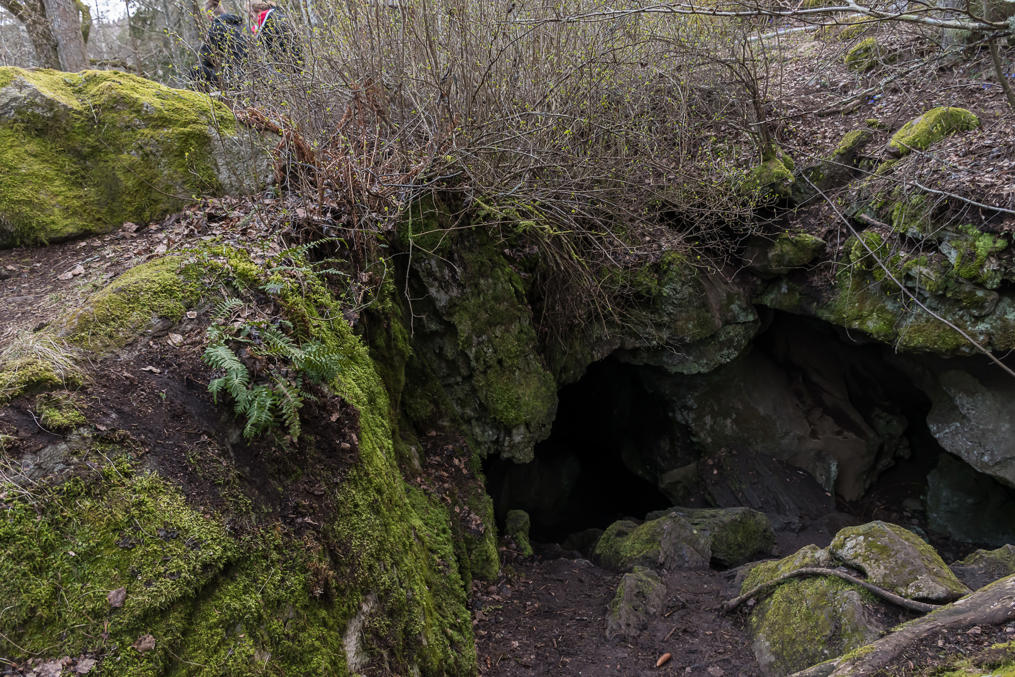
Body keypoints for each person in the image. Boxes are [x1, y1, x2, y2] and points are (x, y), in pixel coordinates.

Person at [194, 0, 248, 89]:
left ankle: (203, 97)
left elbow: (206, 59)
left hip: (233, 77)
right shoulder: (241, 25)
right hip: (251, 74)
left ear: (209, 15)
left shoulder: (216, 28)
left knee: (196, 71)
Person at [248, 1, 304, 73]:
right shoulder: (276, 14)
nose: (252, 19)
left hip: (287, 66)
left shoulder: (269, 21)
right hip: (295, 63)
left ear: (258, 11)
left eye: (251, 16)